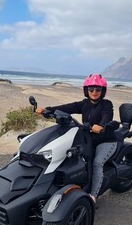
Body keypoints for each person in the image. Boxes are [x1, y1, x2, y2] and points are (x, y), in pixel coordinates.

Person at [35, 74, 117, 203]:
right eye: (91, 89)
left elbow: (107, 115)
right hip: (88, 138)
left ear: (103, 91)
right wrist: (48, 110)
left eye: (98, 89)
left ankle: (93, 196)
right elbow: (67, 107)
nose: (94, 92)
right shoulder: (84, 104)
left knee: (97, 163)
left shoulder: (106, 104)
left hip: (105, 140)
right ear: (86, 90)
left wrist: (101, 125)